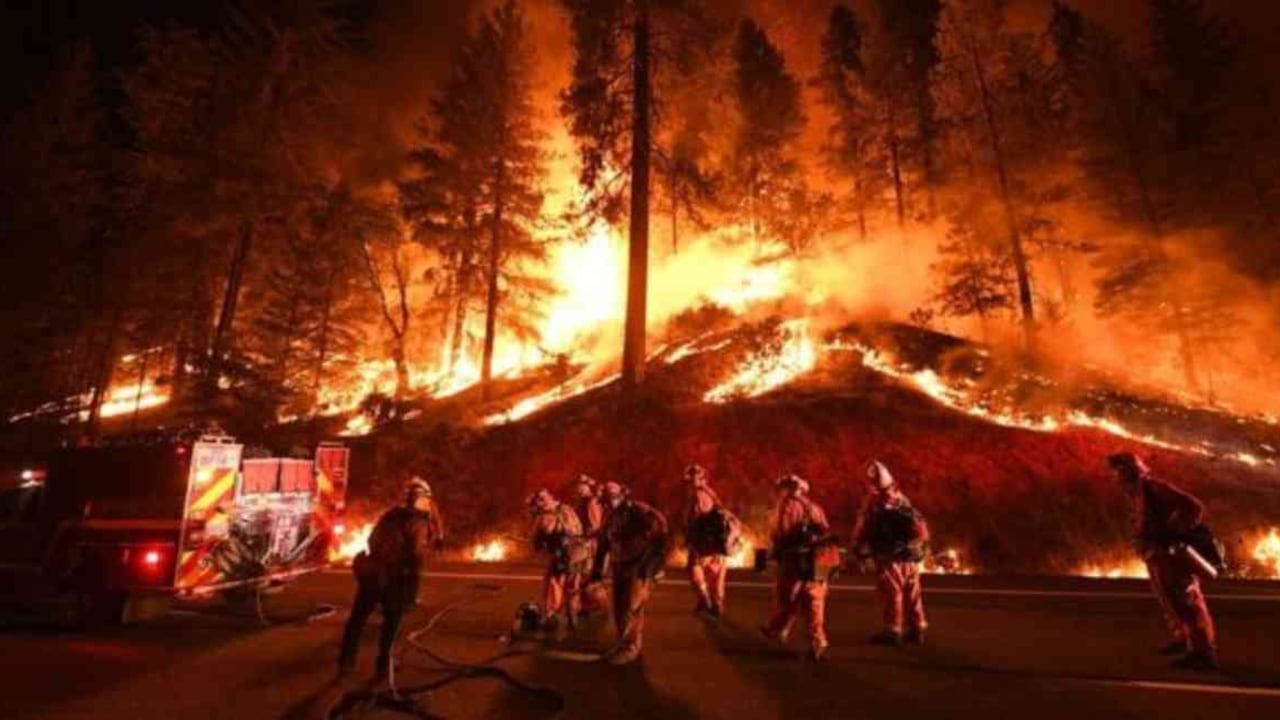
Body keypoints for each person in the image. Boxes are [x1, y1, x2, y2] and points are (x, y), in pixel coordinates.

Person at [1108, 452, 1218, 670]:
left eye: (1121, 469)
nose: (1117, 476)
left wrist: (1175, 530)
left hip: (1170, 554)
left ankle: (1202, 652)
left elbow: (1193, 506)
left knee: (1186, 602)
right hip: (1155, 554)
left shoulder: (1153, 487)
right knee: (1169, 600)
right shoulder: (1136, 493)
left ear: (1133, 470)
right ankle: (1183, 639)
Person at [338, 477, 445, 679]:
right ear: (421, 499)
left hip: (372, 575)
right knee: (392, 623)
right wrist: (411, 593)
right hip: (394, 579)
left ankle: (346, 661)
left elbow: (371, 539)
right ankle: (383, 666)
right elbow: (416, 556)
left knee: (357, 619)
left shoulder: (390, 515)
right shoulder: (417, 522)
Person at [590, 481, 669, 665]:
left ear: (621, 495)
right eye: (605, 500)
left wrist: (651, 565)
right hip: (620, 567)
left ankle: (631, 647)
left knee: (632, 608)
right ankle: (622, 643)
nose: (608, 502)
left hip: (639, 567)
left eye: (611, 498)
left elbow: (660, 536)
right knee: (618, 607)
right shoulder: (610, 517)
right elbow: (603, 544)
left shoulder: (638, 512)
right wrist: (596, 570)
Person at [852, 460, 929, 646]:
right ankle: (917, 627)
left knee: (892, 591)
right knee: (912, 591)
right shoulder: (901, 498)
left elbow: (864, 526)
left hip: (888, 554)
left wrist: (857, 546)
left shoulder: (875, 502)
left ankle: (892, 630)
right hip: (909, 554)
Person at [761, 474, 831, 661]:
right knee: (815, 602)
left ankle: (776, 629)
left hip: (795, 561)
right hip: (819, 561)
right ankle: (818, 643)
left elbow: (780, 533)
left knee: (788, 597)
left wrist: (774, 554)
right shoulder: (815, 508)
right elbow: (825, 530)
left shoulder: (786, 507)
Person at [684, 464, 740, 618]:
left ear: (701, 478)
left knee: (696, 572)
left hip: (704, 543)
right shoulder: (711, 493)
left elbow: (696, 519)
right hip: (715, 543)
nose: (690, 481)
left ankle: (707, 601)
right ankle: (714, 604)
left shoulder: (699, 495)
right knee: (716, 576)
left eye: (693, 477)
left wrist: (691, 537)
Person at [528, 489, 588, 631]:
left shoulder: (544, 516)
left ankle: (550, 615)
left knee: (553, 584)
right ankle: (573, 616)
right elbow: (579, 528)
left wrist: (539, 543)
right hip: (579, 554)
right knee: (574, 586)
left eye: (539, 501)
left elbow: (535, 538)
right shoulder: (567, 509)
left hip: (561, 556)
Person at [572, 474, 609, 616]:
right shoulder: (583, 501)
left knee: (590, 576)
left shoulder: (591, 502)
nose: (578, 488)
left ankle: (598, 606)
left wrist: (586, 538)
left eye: (581, 485)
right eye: (578, 486)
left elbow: (595, 525)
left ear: (588, 487)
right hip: (585, 542)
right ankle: (588, 606)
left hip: (591, 544)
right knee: (584, 577)